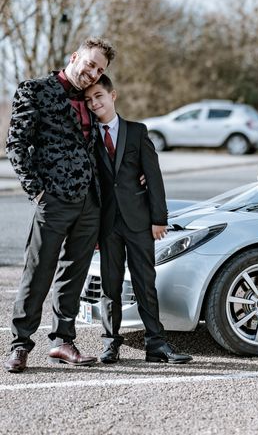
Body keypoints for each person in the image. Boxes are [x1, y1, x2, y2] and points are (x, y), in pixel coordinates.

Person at [4, 38, 115, 373]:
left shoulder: (90, 97)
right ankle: (20, 344)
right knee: (38, 272)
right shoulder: (35, 90)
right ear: (75, 56)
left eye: (100, 70)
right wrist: (36, 191)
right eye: (90, 64)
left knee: (73, 274)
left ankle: (62, 341)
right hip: (52, 200)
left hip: (89, 202)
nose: (93, 73)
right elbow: (16, 143)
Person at [84, 75, 192, 364]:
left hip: (140, 221)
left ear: (112, 95)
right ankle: (110, 342)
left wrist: (159, 218)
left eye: (99, 96)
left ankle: (155, 344)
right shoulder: (88, 136)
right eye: (89, 100)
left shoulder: (137, 131)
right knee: (111, 285)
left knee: (145, 282)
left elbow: (153, 177)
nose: (95, 103)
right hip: (106, 225)